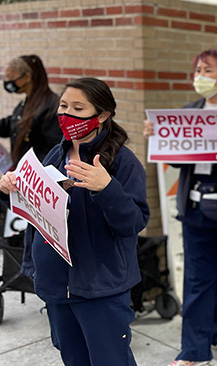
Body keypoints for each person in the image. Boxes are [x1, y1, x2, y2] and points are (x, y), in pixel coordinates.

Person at [0, 77, 150, 366]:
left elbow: (133, 223)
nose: (66, 115)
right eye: (63, 106)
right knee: (72, 357)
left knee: (109, 360)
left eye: (78, 108)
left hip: (100, 288)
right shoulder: (56, 154)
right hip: (57, 285)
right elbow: (36, 212)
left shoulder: (123, 162)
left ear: (103, 114)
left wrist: (107, 189)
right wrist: (12, 188)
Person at [143, 49, 217, 366]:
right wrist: (158, 138)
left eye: (207, 70)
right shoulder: (188, 112)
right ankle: (194, 349)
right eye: (197, 69)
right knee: (197, 277)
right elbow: (174, 158)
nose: (200, 76)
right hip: (195, 206)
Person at [1, 54, 63, 282]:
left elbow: (52, 150)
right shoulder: (28, 100)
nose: (8, 83)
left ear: (28, 77)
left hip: (34, 183)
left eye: (11, 78)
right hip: (19, 181)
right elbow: (12, 123)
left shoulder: (49, 105)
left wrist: (29, 174)